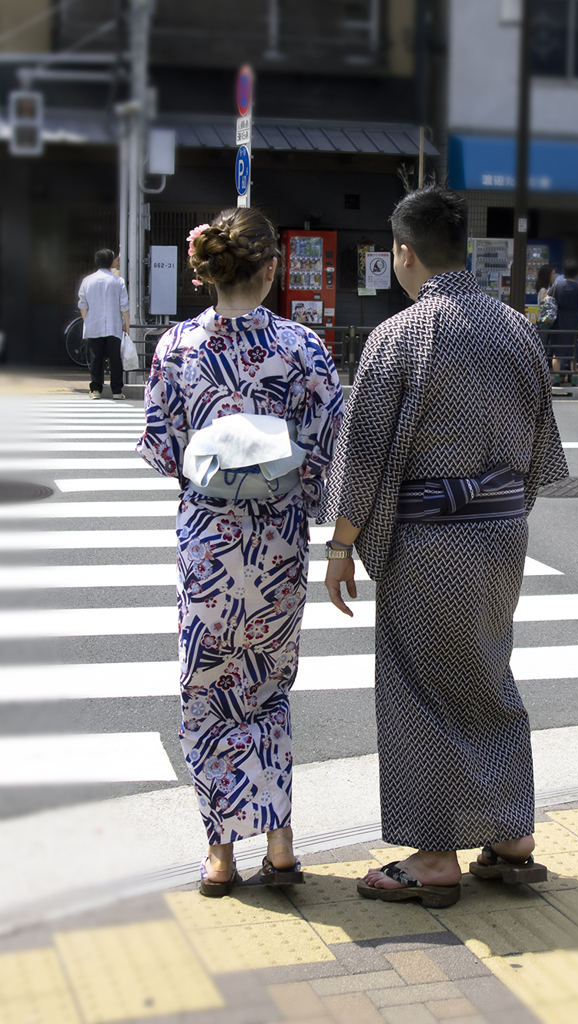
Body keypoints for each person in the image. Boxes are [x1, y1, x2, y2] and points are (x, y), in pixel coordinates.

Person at [321, 186, 568, 907]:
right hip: (501, 532)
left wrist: (342, 546)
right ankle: (509, 833)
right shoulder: (517, 330)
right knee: (486, 674)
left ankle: (432, 857)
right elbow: (543, 455)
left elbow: (362, 452)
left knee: (420, 687)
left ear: (403, 251)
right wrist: (500, 511)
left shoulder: (400, 335)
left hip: (429, 539)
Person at [136, 208, 344, 896]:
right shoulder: (302, 346)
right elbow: (325, 447)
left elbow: (163, 449)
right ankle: (280, 844)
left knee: (207, 693)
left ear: (209, 270)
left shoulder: (174, 347)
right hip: (276, 545)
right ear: (269, 270)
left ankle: (220, 854)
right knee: (266, 689)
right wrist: (287, 483)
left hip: (207, 547)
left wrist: (215, 467)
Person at [78, 248, 130, 400]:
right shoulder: (118, 281)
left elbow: (82, 304)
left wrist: (86, 320)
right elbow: (124, 305)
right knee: (115, 359)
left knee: (96, 358)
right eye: (114, 259)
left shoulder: (87, 280)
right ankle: (117, 391)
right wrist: (127, 323)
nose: (116, 261)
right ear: (110, 261)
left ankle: (96, 390)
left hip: (93, 325)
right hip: (114, 325)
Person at [548, 259, 578, 382]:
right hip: (574, 321)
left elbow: (549, 299)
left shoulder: (556, 286)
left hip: (559, 321)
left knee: (557, 353)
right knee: (574, 353)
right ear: (577, 273)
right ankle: (574, 380)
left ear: (564, 272)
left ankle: (557, 379)